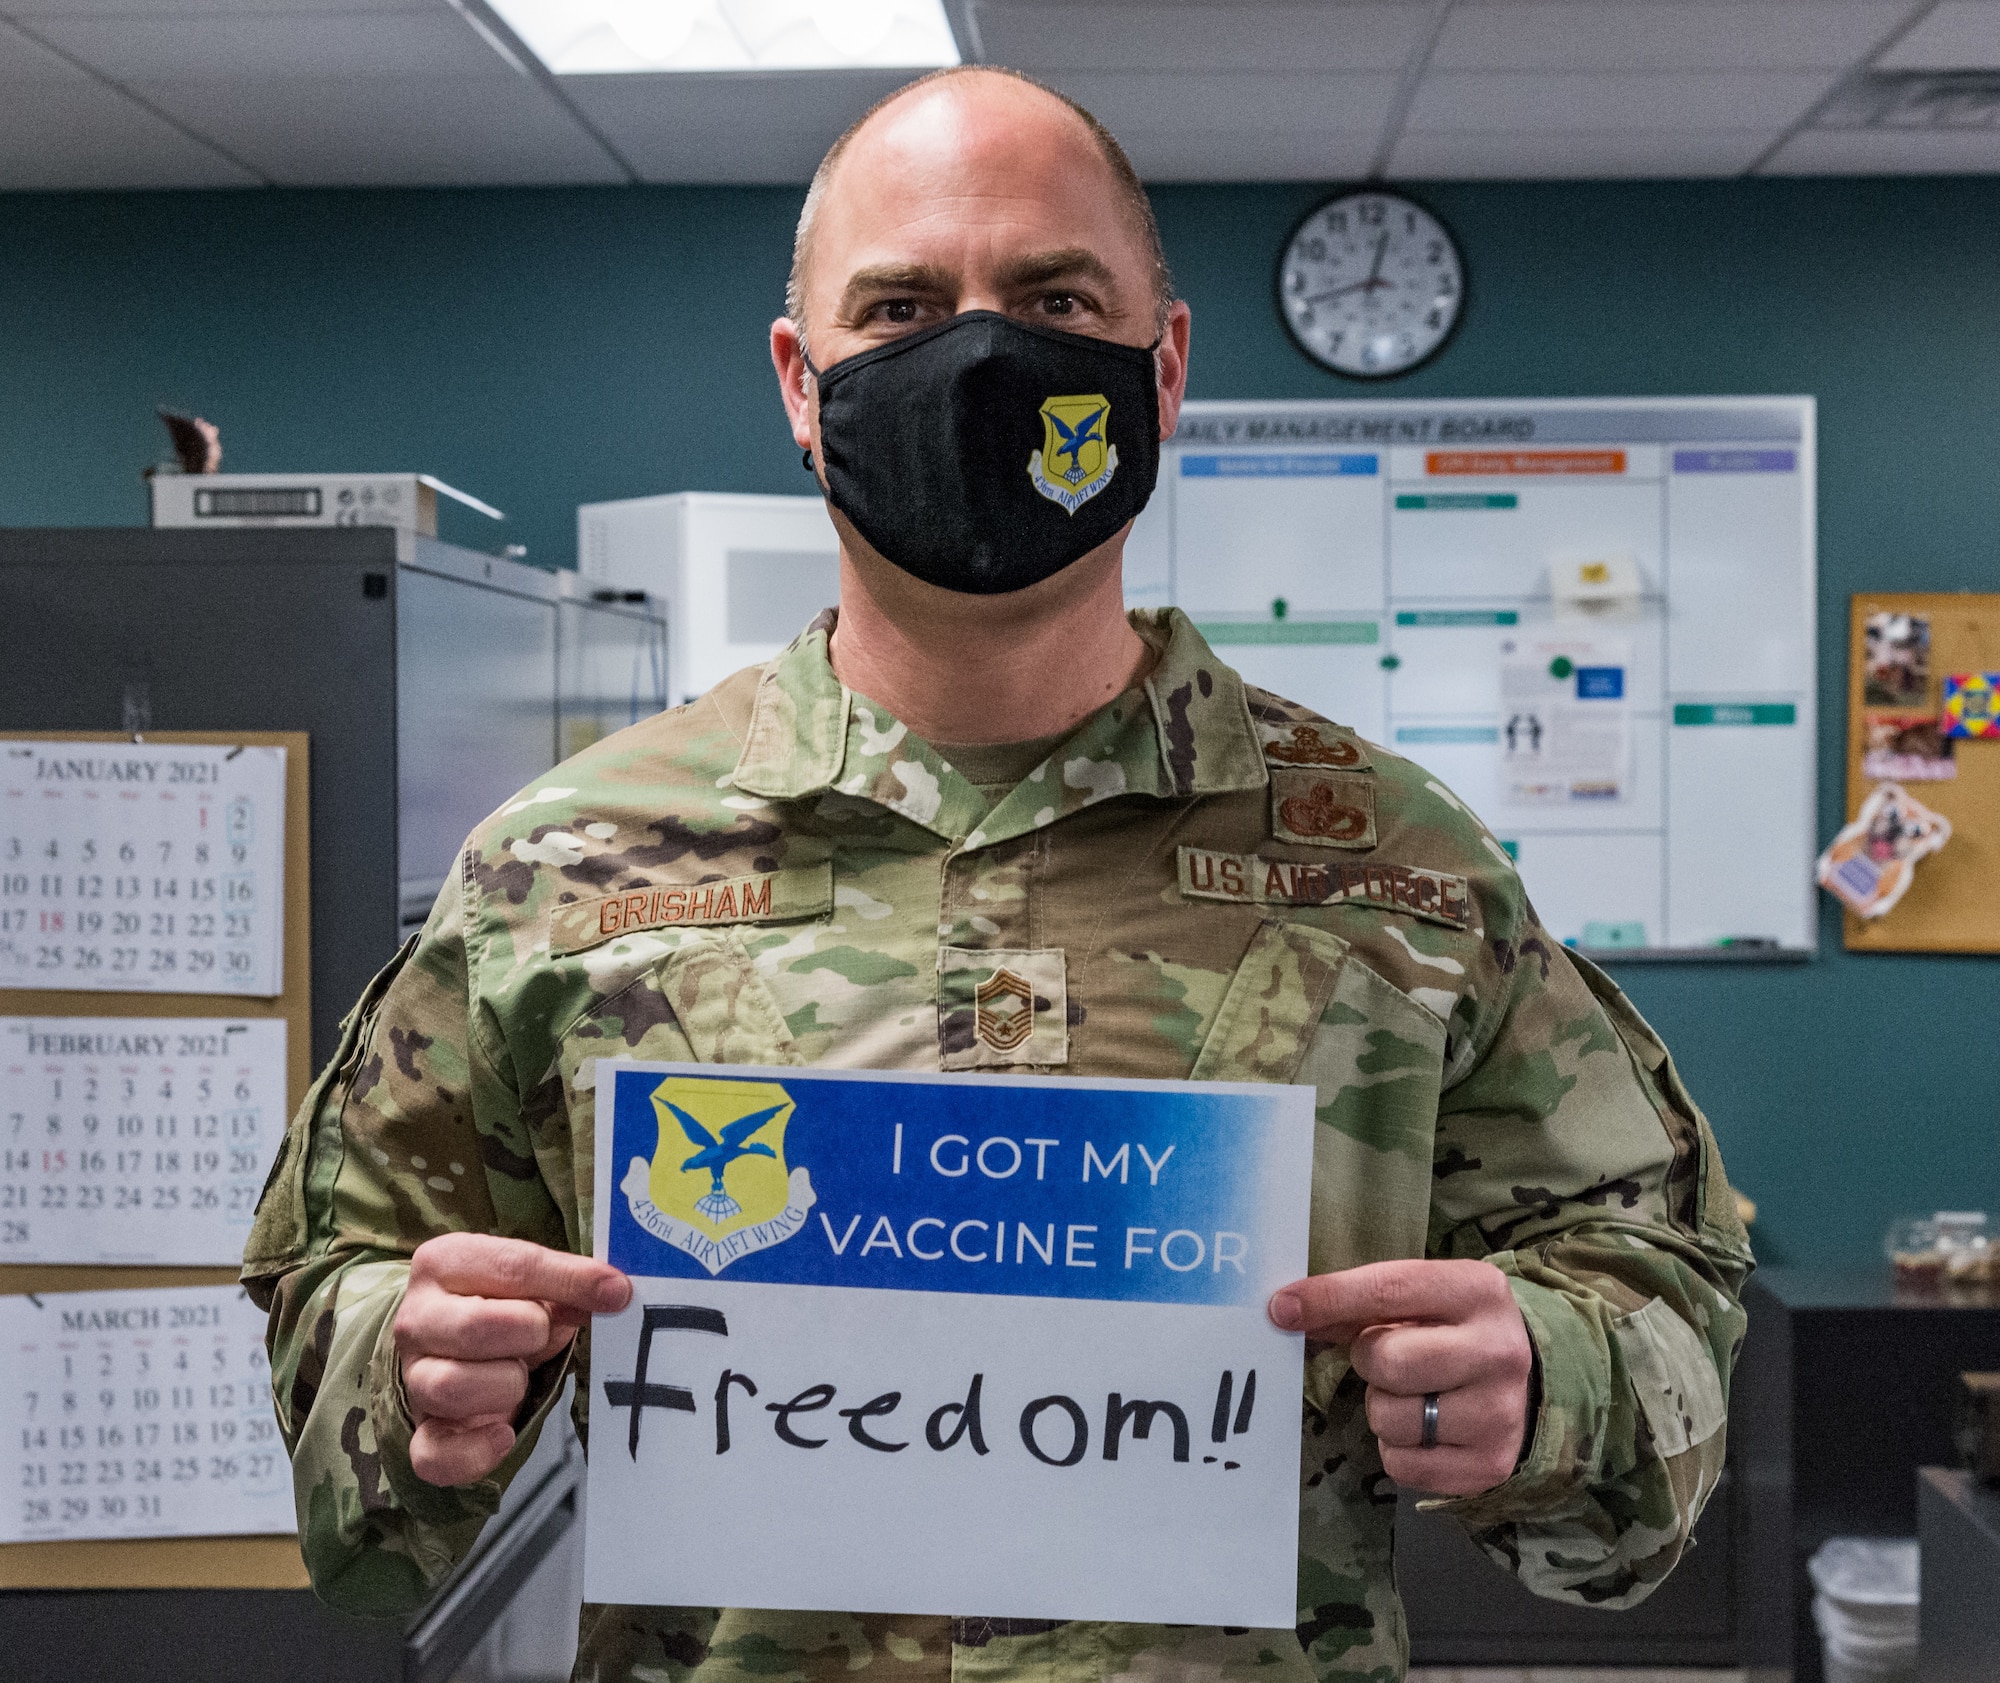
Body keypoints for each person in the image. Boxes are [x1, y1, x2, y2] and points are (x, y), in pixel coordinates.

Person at [244, 64, 1752, 1683]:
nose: (977, 356)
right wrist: (411, 1370)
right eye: (898, 307)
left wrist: (1551, 1371)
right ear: (801, 383)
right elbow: (340, 1309)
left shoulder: (1399, 868)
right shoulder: (562, 869)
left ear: (1161, 367)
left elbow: (1656, 1292)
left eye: (1053, 295)